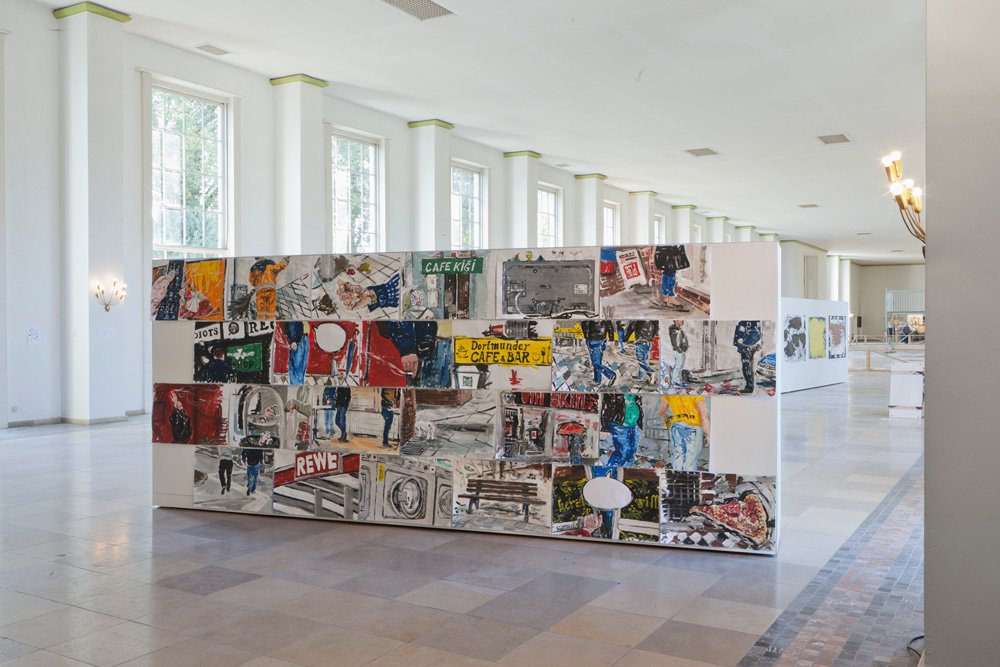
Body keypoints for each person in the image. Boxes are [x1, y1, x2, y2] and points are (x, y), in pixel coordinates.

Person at [660, 395, 710, 471]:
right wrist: (708, 434)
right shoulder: (696, 395)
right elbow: (704, 417)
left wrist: (671, 421)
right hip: (693, 427)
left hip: (677, 426)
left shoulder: (669, 394)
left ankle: (677, 476)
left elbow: (662, 412)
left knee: (678, 455)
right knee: (691, 459)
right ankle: (689, 477)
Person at [604, 394, 643, 466]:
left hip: (633, 425)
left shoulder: (637, 395)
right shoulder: (616, 395)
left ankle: (626, 469)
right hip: (619, 425)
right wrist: (604, 426)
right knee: (623, 452)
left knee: (632, 453)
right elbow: (607, 406)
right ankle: (611, 469)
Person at [652, 245, 690, 311]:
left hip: (663, 250)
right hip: (670, 251)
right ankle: (670, 298)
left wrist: (654, 253)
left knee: (666, 273)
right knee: (671, 273)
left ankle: (666, 298)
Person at [579, 320, 617, 387]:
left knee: (596, 363)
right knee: (597, 361)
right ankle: (597, 380)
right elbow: (609, 325)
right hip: (600, 339)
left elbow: (584, 324)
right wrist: (611, 338)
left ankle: (610, 375)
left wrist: (586, 335)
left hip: (594, 339)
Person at [733, 320, 762, 394]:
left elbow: (755, 333)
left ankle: (749, 387)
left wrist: (744, 343)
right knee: (747, 365)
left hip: (747, 347)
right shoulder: (747, 321)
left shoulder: (750, 321)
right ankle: (749, 386)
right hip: (747, 346)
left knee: (747, 366)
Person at [666, 320, 689, 390]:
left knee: (680, 366)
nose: (682, 321)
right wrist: (678, 349)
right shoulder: (673, 329)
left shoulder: (679, 329)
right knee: (678, 366)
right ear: (676, 320)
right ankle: (676, 383)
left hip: (682, 350)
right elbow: (674, 342)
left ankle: (679, 381)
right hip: (678, 351)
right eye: (680, 320)